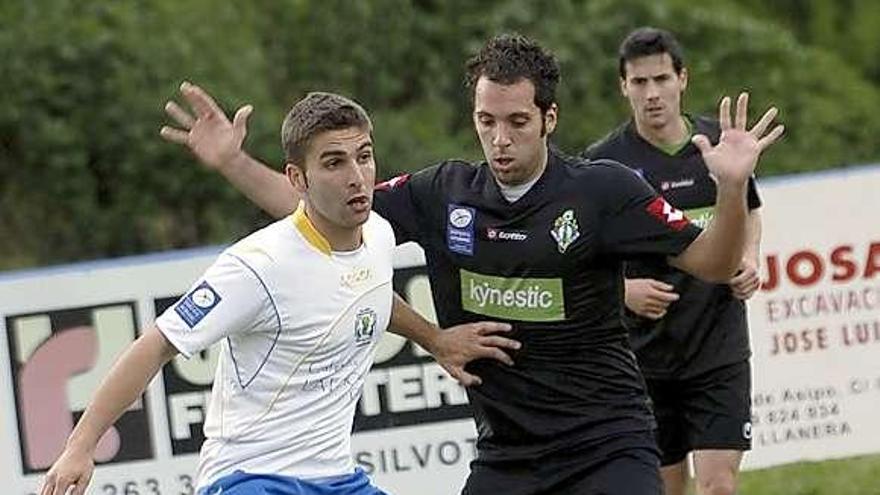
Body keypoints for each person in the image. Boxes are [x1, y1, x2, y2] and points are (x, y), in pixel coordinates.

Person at [161, 34, 783, 494]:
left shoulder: (604, 191)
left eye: (517, 122)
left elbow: (712, 262)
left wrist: (730, 189)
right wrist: (231, 163)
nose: (501, 138)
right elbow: (319, 209)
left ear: (549, 118)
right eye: (487, 122)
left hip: (608, 446)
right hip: (506, 457)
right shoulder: (442, 194)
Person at [40, 92, 519, 495]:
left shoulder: (377, 235)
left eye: (364, 156)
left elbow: (365, 291)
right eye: (334, 162)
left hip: (337, 479)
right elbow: (155, 345)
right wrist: (80, 447)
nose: (356, 175)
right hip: (251, 479)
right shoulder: (257, 267)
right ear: (298, 179)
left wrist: (435, 339)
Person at [583, 27, 763, 495]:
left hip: (717, 346)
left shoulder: (719, 147)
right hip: (643, 358)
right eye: (639, 83)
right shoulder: (604, 165)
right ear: (623, 86)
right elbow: (579, 259)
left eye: (661, 79)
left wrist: (747, 256)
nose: (652, 93)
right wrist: (623, 291)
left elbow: (750, 207)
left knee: (718, 486)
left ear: (682, 79)